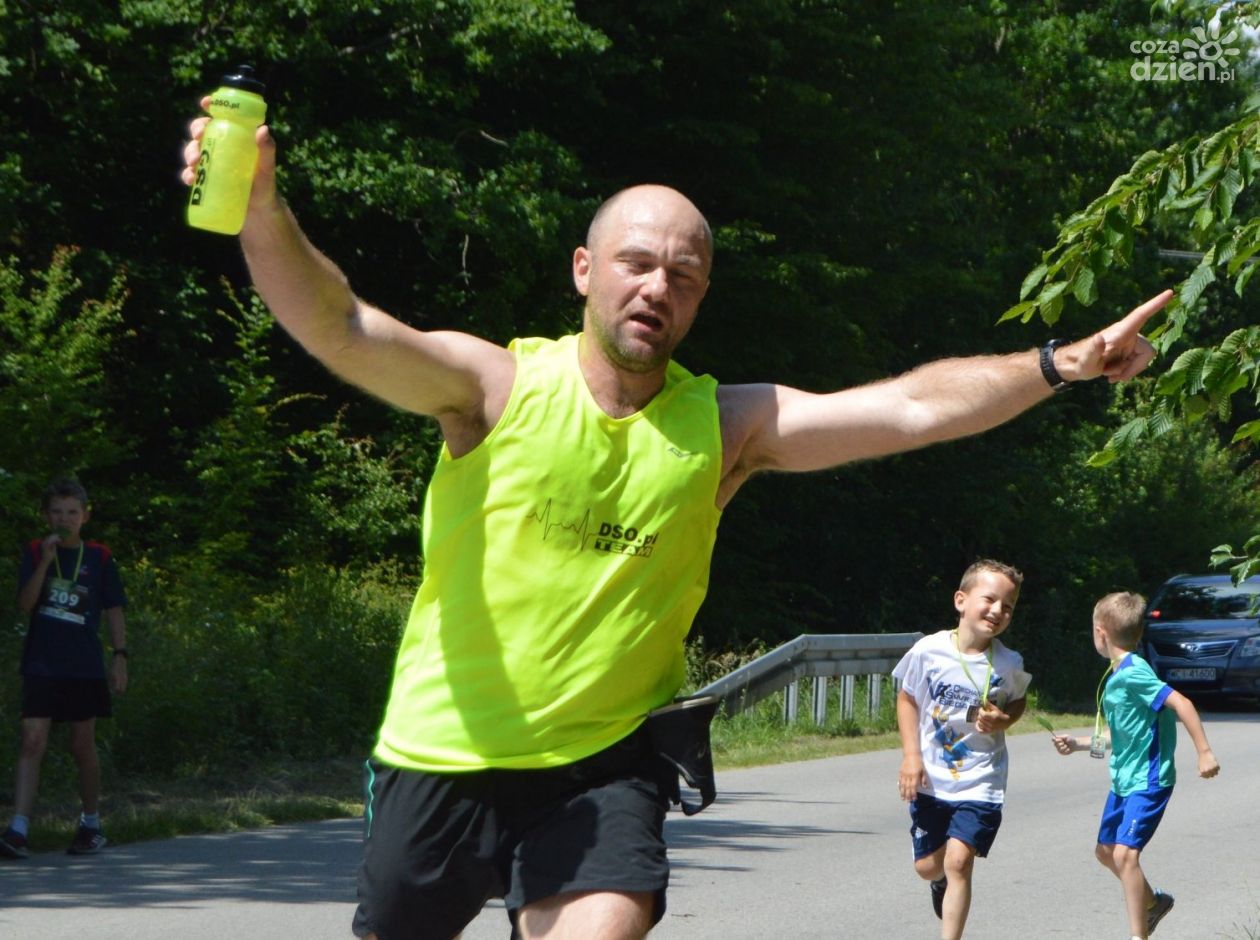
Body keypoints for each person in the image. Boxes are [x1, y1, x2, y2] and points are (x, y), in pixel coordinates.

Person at [180, 101, 1171, 940]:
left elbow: (910, 408)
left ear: (699, 297)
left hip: (604, 763)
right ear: (584, 269)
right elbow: (339, 325)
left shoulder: (726, 426)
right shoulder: (492, 386)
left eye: (683, 274)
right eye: (637, 262)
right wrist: (261, 209)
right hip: (440, 754)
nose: (656, 286)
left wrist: (1061, 364)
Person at [1052, 591, 1220, 940]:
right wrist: (1079, 745)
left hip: (1149, 779)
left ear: (1100, 632)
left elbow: (1182, 703)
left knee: (1126, 855)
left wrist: (1204, 751)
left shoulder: (1133, 673)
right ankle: (1153, 904)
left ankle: (1137, 935)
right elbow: (1121, 733)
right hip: (1123, 781)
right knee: (1105, 852)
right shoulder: (1116, 677)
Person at [892, 559, 1031, 940]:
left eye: (1008, 606)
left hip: (981, 779)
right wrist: (911, 757)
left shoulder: (1008, 662)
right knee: (928, 867)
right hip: (932, 779)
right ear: (961, 600)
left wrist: (1004, 719)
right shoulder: (929, 651)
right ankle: (938, 884)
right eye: (990, 599)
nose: (998, 611)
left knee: (959, 861)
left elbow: (1019, 701)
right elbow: (907, 699)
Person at [0, 479, 128, 860]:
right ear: (46, 515)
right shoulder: (36, 550)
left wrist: (120, 656)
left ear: (85, 516)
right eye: (57, 512)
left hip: (83, 665)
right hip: (42, 662)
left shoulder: (100, 557)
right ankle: (19, 828)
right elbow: (25, 604)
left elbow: (114, 609)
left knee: (81, 744)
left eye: (72, 512)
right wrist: (43, 563)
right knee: (32, 740)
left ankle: (91, 822)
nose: (64, 519)